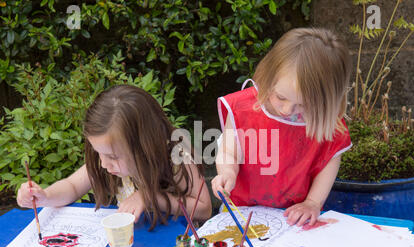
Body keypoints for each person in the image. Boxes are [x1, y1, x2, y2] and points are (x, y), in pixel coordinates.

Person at [17, 84, 212, 229]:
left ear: (145, 146)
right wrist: (45, 196)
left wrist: (150, 197)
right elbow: (72, 186)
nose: (103, 163)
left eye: (112, 156)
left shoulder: (176, 159)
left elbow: (204, 209)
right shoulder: (107, 163)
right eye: (98, 153)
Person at [211, 28, 352, 228]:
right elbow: (228, 151)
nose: (287, 110)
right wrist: (227, 173)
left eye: (303, 105)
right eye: (280, 97)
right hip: (240, 213)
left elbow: (329, 162)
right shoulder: (244, 109)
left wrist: (313, 203)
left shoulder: (325, 122)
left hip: (293, 219)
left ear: (326, 102)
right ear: (268, 78)